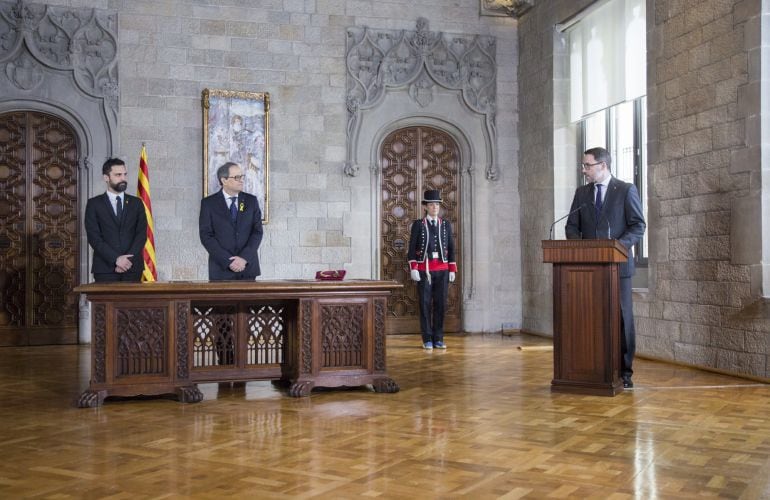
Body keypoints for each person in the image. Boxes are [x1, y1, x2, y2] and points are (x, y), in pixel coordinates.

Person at [565, 147, 646, 388]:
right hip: (588, 270)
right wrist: (583, 250)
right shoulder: (582, 193)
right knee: (590, 318)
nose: (584, 170)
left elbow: (638, 226)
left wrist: (616, 247)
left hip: (618, 268)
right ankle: (592, 367)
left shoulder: (625, 190)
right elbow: (571, 226)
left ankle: (625, 372)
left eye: (587, 166)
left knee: (622, 319)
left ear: (602, 165)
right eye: (583, 165)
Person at [407, 190, 457, 350]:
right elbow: (411, 248)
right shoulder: (418, 225)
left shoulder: (446, 225)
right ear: (426, 207)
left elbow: (451, 248)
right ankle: (427, 338)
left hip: (442, 270)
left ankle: (439, 338)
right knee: (425, 304)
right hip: (424, 270)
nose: (435, 207)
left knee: (441, 304)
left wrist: (452, 269)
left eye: (437, 204)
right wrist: (413, 268)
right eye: (431, 204)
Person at [84, 158, 148, 282]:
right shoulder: (94, 204)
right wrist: (116, 259)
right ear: (106, 177)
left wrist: (126, 261)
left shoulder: (137, 203)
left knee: (132, 302)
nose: (123, 178)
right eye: (118, 175)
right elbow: (94, 238)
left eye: (125, 174)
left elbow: (141, 235)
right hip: (105, 269)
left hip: (132, 268)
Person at [199, 161, 264, 280]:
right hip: (221, 269)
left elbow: (257, 232)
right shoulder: (209, 204)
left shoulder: (251, 201)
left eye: (242, 176)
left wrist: (244, 258)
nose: (241, 180)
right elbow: (206, 236)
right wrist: (228, 261)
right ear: (224, 180)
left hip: (247, 268)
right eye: (237, 177)